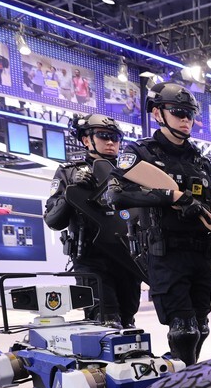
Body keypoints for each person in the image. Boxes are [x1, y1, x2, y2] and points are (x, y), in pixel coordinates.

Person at [105, 82, 211, 364]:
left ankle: (183, 372)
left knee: (201, 327)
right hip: (166, 252)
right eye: (178, 112)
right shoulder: (140, 153)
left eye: (190, 114)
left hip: (201, 253)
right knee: (184, 329)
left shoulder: (201, 161)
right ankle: (183, 383)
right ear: (157, 113)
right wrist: (170, 197)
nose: (185, 119)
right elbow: (116, 195)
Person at [43, 114, 144, 327]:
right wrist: (72, 192)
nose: (111, 142)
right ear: (86, 140)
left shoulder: (131, 174)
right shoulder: (69, 172)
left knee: (128, 319)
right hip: (91, 258)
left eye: (115, 138)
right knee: (104, 320)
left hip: (127, 257)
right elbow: (53, 220)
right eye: (103, 136)